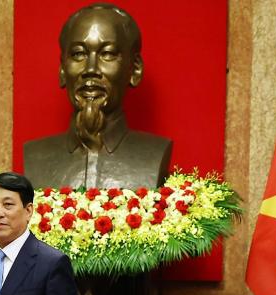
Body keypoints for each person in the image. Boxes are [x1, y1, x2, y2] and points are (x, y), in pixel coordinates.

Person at [23, 3, 172, 190]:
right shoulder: (36, 156)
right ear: (62, 69)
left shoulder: (154, 154)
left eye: (107, 54)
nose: (91, 69)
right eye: (78, 54)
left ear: (135, 69)